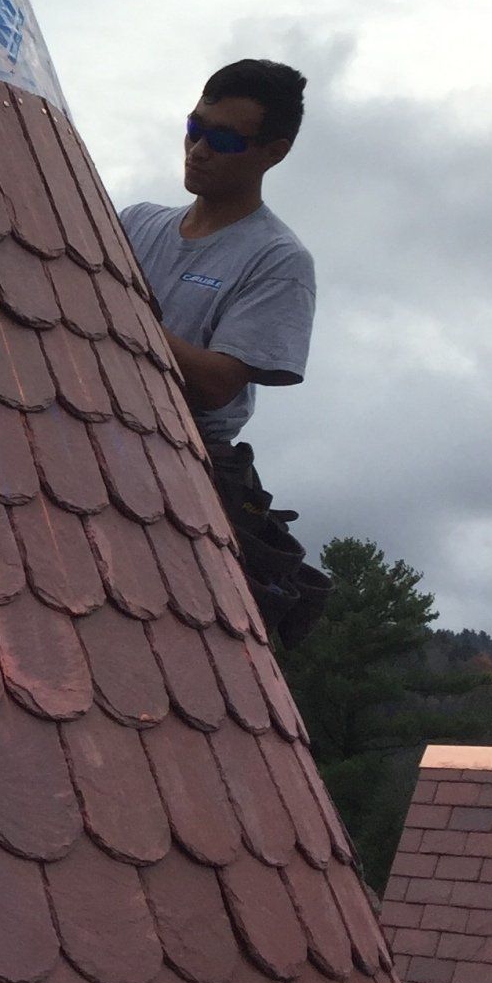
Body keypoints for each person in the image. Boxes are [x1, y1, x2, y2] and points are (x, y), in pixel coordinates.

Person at [121, 58, 324, 640]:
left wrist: (118, 313)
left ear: (274, 152)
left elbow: (217, 382)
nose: (199, 149)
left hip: (185, 468)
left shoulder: (279, 260)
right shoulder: (135, 222)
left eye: (226, 138)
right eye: (195, 128)